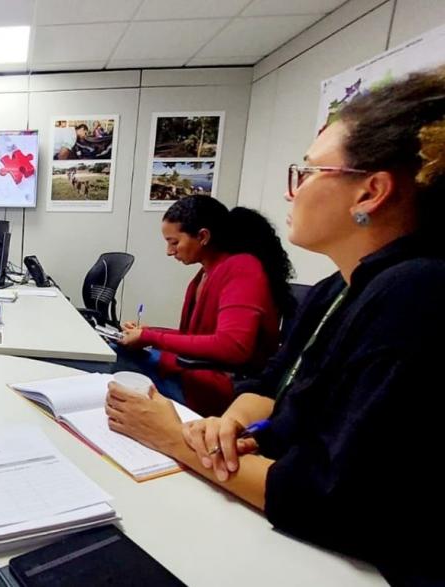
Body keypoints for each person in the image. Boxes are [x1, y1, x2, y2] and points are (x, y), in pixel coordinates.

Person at [104, 66, 445, 584]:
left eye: (307, 173)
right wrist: (232, 427)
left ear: (369, 192)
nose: (294, 191)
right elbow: (276, 388)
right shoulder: (340, 287)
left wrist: (174, 439)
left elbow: (331, 499)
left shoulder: (417, 293)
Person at [113, 195, 292, 416]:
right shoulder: (206, 273)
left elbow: (232, 346)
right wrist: (146, 333)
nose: (170, 251)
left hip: (216, 391)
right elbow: (196, 337)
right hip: (195, 373)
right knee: (116, 350)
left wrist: (150, 338)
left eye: (175, 242)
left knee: (112, 359)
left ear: (203, 236)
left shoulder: (242, 269)